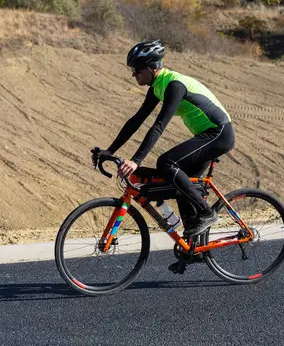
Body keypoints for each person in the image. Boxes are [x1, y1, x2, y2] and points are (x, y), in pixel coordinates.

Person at [96, 40, 235, 237]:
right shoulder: (157, 86)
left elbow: (159, 125)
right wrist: (110, 151)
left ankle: (206, 212)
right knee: (178, 184)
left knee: (166, 162)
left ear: (152, 68)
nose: (133, 75)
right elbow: (137, 120)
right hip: (206, 135)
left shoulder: (174, 85)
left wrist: (136, 161)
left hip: (219, 134)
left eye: (137, 70)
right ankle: (192, 249)